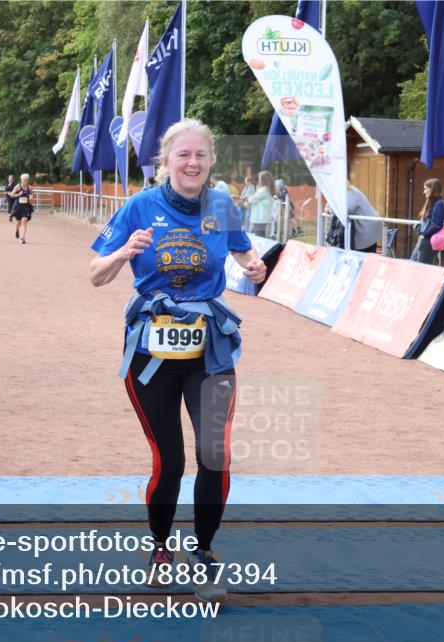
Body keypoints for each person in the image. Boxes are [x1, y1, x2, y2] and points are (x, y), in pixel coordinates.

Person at [88, 118, 266, 604]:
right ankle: (160, 549)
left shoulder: (222, 205)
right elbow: (95, 274)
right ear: (166, 160)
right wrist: (124, 252)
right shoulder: (140, 206)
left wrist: (252, 265)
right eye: (183, 154)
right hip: (152, 357)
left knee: (215, 455)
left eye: (200, 155)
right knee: (170, 461)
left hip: (210, 353)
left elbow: (242, 248)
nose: (192, 163)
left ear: (211, 161)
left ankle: (204, 552)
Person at [410, 178, 444, 265]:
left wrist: (424, 234)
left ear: (432, 189)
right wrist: (420, 229)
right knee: (414, 263)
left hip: (428, 240)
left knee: (421, 267)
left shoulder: (439, 204)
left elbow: (436, 225)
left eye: (426, 189)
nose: (424, 192)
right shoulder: (431, 203)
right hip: (424, 239)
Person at [345, 183, 381, 253]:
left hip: (368, 225)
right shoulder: (347, 191)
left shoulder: (350, 191)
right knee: (366, 253)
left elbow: (348, 208)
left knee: (364, 254)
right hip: (369, 224)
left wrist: (330, 209)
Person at [247, 170, 275, 236]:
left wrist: (248, 198)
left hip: (259, 218)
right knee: (260, 236)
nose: (258, 180)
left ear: (263, 180)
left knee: (259, 237)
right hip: (262, 218)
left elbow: (251, 199)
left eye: (259, 178)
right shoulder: (267, 189)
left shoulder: (263, 190)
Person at [10, 173, 33, 244]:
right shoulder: (18, 186)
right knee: (19, 222)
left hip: (25, 207)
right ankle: (17, 230)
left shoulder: (29, 187)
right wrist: (18, 194)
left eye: (26, 179)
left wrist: (31, 197)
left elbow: (31, 196)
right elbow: (11, 195)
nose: (25, 181)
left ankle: (22, 238)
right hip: (18, 207)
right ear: (21, 179)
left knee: (24, 221)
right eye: (24, 179)